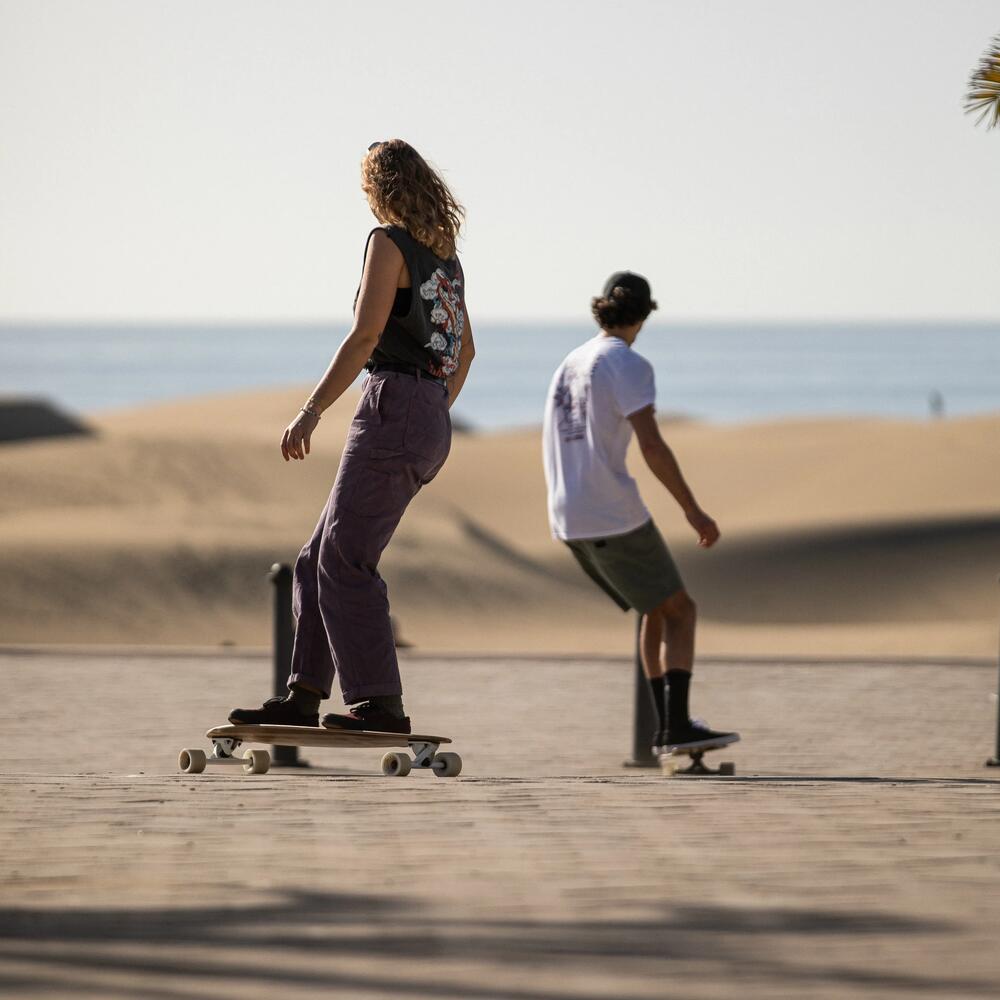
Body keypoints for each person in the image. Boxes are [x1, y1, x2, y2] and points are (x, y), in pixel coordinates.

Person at [230, 139, 474, 734]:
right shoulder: (445, 258)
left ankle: (379, 705)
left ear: (379, 187)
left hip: (395, 405)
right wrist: (432, 409)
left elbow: (365, 336)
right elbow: (465, 352)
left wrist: (312, 409)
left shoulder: (387, 243)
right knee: (317, 558)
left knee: (346, 558)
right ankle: (304, 693)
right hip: (427, 414)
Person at [542, 271, 737, 754]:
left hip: (567, 516)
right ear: (645, 315)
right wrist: (693, 511)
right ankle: (675, 727)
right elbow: (651, 444)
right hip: (610, 511)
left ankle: (667, 727)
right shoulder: (627, 364)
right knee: (683, 610)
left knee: (657, 606)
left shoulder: (571, 361)